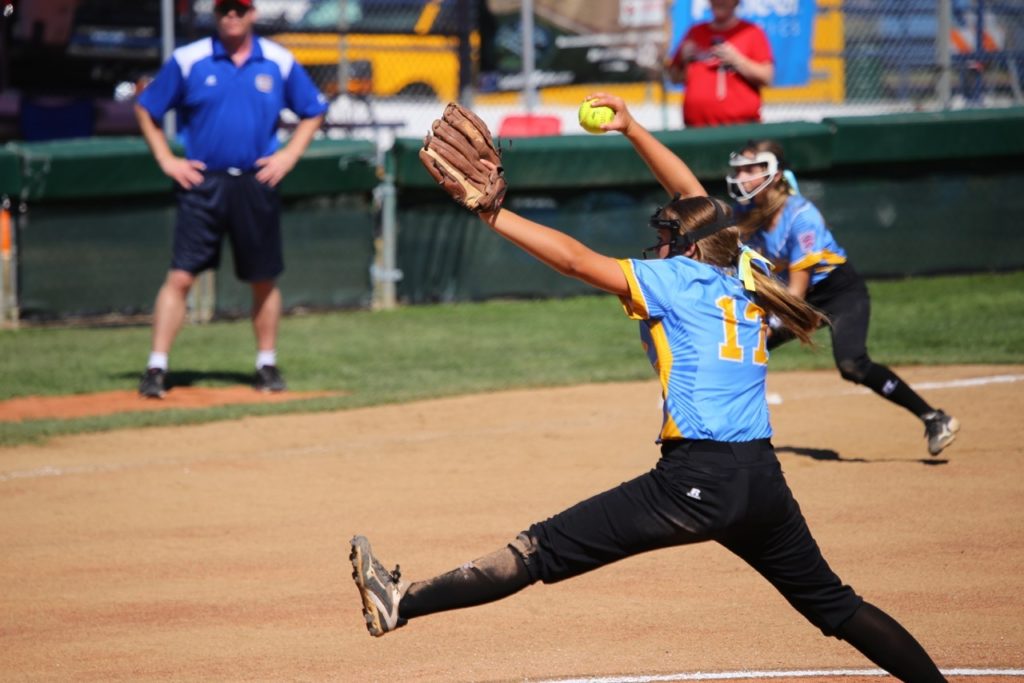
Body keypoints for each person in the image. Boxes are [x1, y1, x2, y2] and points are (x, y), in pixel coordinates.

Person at [348, 97, 947, 682]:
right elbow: (696, 200)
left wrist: (492, 214)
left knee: (539, 550)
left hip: (694, 480)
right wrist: (631, 127)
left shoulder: (675, 278)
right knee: (836, 607)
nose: (655, 246)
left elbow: (578, 261)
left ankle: (401, 602)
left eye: (663, 237)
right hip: (762, 481)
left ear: (684, 247)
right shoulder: (744, 272)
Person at [134, 0, 328, 398]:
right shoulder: (190, 59)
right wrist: (166, 159)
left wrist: (289, 155)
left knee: (262, 277)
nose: (232, 16)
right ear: (215, 15)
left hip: (256, 180)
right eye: (224, 10)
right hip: (203, 182)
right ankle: (156, 368)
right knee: (182, 276)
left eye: (239, 9)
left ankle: (266, 364)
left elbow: (313, 110)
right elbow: (146, 106)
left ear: (252, 13)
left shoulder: (278, 60)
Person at [724, 139, 960, 456]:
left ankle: (934, 418)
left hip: (838, 293)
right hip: (798, 297)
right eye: (739, 169)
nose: (741, 176)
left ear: (774, 174)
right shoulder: (746, 213)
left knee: (853, 364)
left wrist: (769, 324)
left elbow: (796, 295)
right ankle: (726, 436)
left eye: (750, 169)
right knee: (742, 349)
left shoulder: (800, 217)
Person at [664, 0, 773, 128]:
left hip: (741, 127)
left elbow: (767, 76)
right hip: (697, 128)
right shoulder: (695, 32)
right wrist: (683, 58)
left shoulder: (752, 32)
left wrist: (737, 60)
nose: (719, 2)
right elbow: (674, 78)